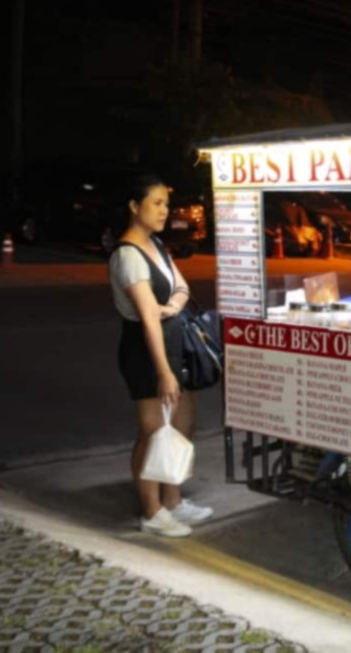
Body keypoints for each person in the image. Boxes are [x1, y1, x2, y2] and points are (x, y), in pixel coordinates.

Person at [108, 174, 213, 538]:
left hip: (172, 342)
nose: (164, 211)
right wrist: (164, 371)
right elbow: (146, 317)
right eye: (156, 203)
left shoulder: (157, 246)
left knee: (182, 425)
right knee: (153, 432)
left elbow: (182, 287)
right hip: (145, 351)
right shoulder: (127, 254)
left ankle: (173, 500)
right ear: (134, 207)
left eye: (166, 204)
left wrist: (170, 306)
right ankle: (152, 512)